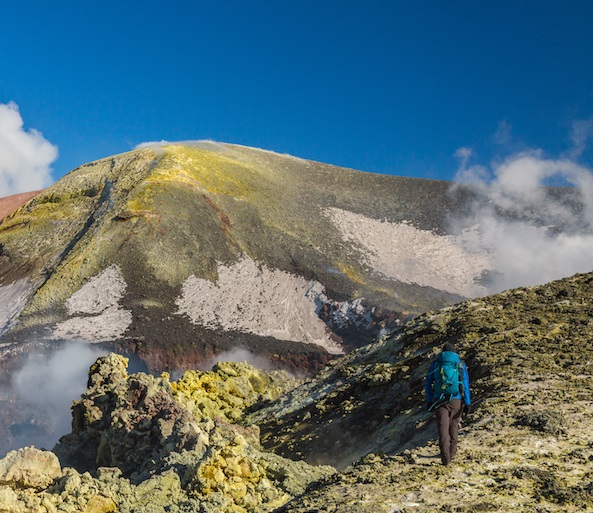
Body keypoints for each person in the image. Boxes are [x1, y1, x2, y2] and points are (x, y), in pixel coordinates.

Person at [425, 342, 471, 465]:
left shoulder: (436, 363)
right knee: (454, 426)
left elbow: (428, 383)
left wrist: (429, 401)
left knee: (442, 429)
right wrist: (467, 403)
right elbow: (465, 384)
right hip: (457, 400)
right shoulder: (460, 364)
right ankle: (453, 453)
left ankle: (446, 460)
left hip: (439, 400)